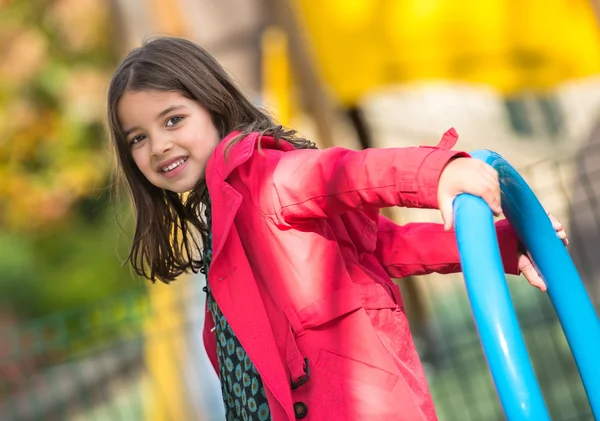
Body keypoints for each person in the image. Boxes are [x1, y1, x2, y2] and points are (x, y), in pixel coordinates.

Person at [107, 37, 568, 421]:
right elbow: (386, 247)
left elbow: (347, 173)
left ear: (213, 106)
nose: (159, 145)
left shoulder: (265, 177)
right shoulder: (222, 229)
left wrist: (436, 174)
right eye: (139, 138)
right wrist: (507, 245)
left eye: (173, 119)